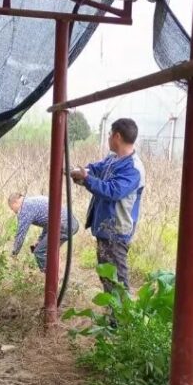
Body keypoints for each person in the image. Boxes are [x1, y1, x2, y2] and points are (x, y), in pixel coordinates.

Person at [71, 118, 145, 293]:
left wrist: (86, 178)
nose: (109, 137)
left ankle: (122, 319)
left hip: (116, 233)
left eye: (110, 134)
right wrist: (80, 172)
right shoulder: (113, 159)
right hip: (105, 229)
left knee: (118, 281)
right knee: (107, 278)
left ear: (117, 136)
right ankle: (114, 318)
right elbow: (95, 169)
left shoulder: (133, 168)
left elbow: (112, 191)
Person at [8, 192, 79, 272]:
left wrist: (14, 254)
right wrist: (40, 239)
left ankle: (48, 278)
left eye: (12, 208)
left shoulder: (24, 208)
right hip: (71, 223)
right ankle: (58, 275)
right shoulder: (33, 201)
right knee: (49, 251)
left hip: (63, 225)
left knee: (39, 251)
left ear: (15, 202)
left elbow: (20, 235)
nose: (13, 211)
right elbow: (49, 221)